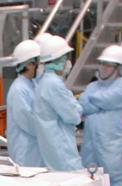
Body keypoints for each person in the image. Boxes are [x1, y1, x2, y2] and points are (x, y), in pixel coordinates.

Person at [79, 45, 122, 186]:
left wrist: (92, 101)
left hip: (110, 140)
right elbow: (83, 106)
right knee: (91, 174)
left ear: (118, 68)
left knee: (113, 174)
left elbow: (105, 100)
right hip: (90, 141)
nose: (103, 68)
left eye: (108, 65)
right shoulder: (92, 86)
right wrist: (98, 104)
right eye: (102, 63)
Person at [34, 35, 84, 171]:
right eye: (65, 58)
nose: (68, 62)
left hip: (52, 145)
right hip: (62, 147)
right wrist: (77, 106)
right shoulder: (54, 84)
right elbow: (73, 116)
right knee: (73, 179)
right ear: (58, 61)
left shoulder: (44, 82)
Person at [7, 40, 44, 167]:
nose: (40, 66)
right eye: (38, 62)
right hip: (25, 153)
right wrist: (49, 129)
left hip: (34, 151)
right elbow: (28, 121)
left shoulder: (31, 84)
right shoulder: (19, 89)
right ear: (29, 64)